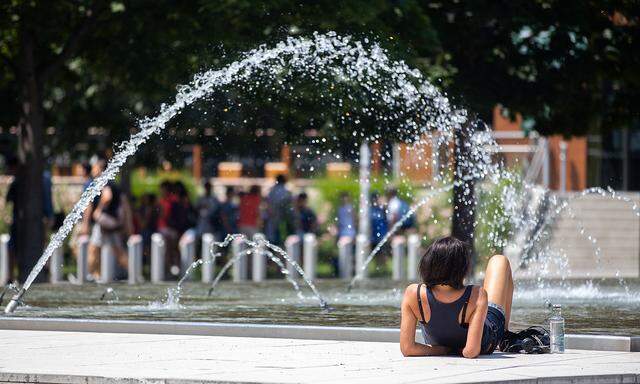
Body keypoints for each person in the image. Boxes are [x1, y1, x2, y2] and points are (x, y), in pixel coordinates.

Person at [400, 236, 512, 358]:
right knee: (499, 260)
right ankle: (504, 334)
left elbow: (407, 348)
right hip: (488, 339)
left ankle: (505, 334)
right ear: (462, 268)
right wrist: (455, 351)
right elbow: (471, 352)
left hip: (439, 344)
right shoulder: (477, 294)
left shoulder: (413, 293)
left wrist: (442, 350)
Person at [87, 182, 133, 280]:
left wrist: (99, 209)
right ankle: (133, 273)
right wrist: (128, 226)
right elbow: (125, 206)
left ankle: (93, 275)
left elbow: (107, 197)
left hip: (104, 223)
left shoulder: (106, 184)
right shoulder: (116, 186)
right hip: (112, 223)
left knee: (93, 249)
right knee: (117, 251)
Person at [264, 175, 292, 245]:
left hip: (272, 215)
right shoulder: (285, 191)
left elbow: (267, 203)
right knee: (281, 237)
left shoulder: (272, 190)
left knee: (271, 236)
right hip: (282, 217)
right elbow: (288, 203)